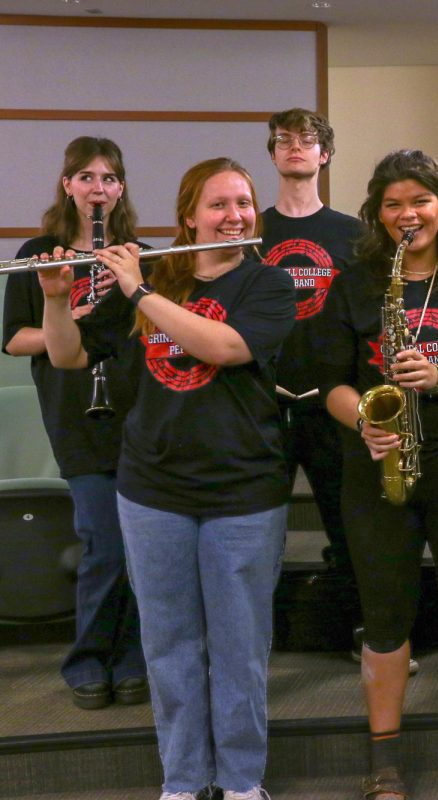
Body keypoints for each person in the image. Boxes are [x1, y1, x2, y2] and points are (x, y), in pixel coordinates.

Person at [38, 157, 296, 800]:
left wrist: (137, 291)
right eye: (219, 205)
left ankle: (241, 781)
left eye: (244, 202)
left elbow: (227, 348)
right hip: (152, 492)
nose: (234, 215)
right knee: (170, 646)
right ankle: (183, 780)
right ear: (190, 217)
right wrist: (53, 298)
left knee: (239, 648)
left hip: (243, 490)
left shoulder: (267, 286)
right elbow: (68, 353)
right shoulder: (151, 278)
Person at [315, 149, 438, 800]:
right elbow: (331, 383)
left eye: (420, 201)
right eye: (393, 204)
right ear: (377, 214)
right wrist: (364, 422)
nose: (408, 215)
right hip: (376, 464)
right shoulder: (354, 283)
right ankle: (384, 763)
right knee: (384, 619)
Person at [1, 136, 147, 711]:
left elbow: (150, 333)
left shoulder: (134, 253)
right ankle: (87, 659)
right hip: (73, 411)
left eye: (109, 178)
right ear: (68, 185)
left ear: (120, 189)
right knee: (104, 543)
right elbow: (14, 339)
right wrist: (69, 314)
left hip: (135, 413)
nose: (98, 188)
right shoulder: (41, 252)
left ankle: (133, 659)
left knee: (139, 547)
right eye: (86, 177)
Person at [261, 107, 363, 576]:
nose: (295, 146)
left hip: (331, 402)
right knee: (257, 536)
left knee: (349, 529)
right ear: (273, 153)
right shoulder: (250, 232)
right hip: (263, 401)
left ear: (324, 154)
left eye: (306, 139)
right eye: (284, 140)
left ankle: (361, 635)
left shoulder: (353, 233)